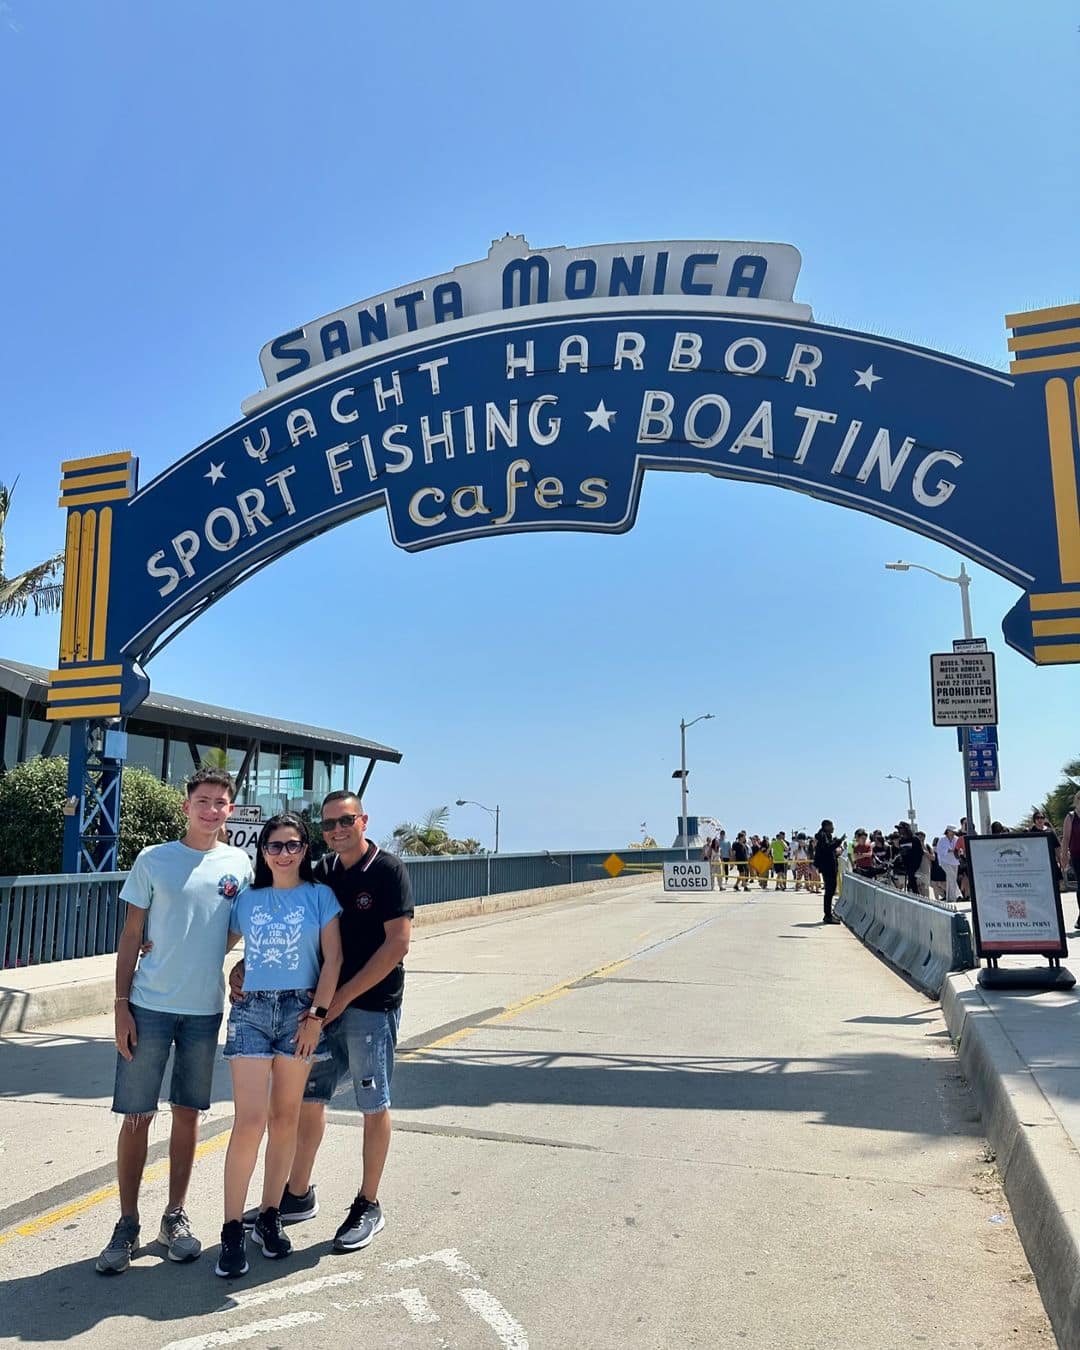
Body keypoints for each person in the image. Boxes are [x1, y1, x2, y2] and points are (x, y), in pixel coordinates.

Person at [232, 790, 413, 1254]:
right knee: (308, 1102)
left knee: (374, 1104)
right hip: (316, 1009)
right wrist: (245, 966)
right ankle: (297, 1193)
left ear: (363, 821)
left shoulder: (389, 870)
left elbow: (396, 947)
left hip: (369, 1006)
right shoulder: (325, 875)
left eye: (345, 821)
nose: (336, 829)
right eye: (328, 823)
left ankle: (368, 1202)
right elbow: (288, 928)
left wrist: (337, 1001)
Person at [96, 769, 252, 1276]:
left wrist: (227, 961)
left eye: (220, 803)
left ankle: (174, 1217)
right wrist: (121, 1004)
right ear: (186, 806)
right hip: (150, 1007)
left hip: (205, 1011)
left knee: (188, 1114)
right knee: (137, 1116)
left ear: (230, 810)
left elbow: (236, 928)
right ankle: (126, 1223)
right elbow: (130, 934)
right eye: (203, 801)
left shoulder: (239, 864)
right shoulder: (154, 860)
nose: (211, 809)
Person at [216, 813, 343, 1279]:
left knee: (285, 1117)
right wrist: (153, 944)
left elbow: (334, 960)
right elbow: (215, 942)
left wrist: (317, 1017)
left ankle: (269, 1215)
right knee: (249, 1121)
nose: (284, 853)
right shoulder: (247, 900)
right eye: (274, 846)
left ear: (304, 850)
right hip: (251, 1011)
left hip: (299, 1013)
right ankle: (232, 1228)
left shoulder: (320, 897)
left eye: (292, 845)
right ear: (263, 852)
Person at [814, 820, 845, 922]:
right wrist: (839, 841)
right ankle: (828, 916)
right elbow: (827, 848)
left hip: (829, 867)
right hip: (828, 868)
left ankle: (829, 914)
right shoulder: (822, 836)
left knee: (830, 891)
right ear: (826, 826)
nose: (833, 828)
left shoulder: (825, 836)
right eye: (831, 826)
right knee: (829, 891)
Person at [936, 827, 961, 902]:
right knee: (952, 877)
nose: (953, 833)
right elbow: (941, 850)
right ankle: (957, 895)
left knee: (951, 879)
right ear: (948, 831)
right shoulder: (942, 840)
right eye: (952, 831)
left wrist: (957, 851)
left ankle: (949, 898)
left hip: (954, 861)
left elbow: (959, 848)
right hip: (945, 861)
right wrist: (951, 850)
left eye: (954, 831)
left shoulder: (956, 839)